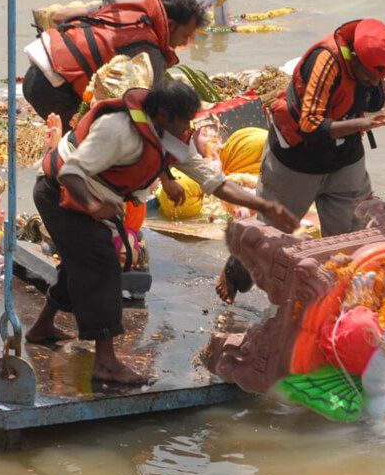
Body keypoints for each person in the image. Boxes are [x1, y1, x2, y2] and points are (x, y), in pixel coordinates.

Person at [26, 81, 297, 385]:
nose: (189, 126)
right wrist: (92, 206)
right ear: (164, 115)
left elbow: (215, 182)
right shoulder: (117, 130)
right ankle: (105, 362)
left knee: (82, 263)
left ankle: (42, 328)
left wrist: (263, 204)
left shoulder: (171, 135)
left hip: (92, 199)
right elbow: (70, 172)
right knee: (102, 266)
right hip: (58, 193)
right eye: (184, 119)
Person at [215, 18, 385, 303]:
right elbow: (310, 124)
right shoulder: (326, 62)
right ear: (353, 58)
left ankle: (337, 301)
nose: (373, 82)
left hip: (345, 160)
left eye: (377, 77)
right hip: (298, 162)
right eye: (369, 76)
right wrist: (360, 125)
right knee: (270, 235)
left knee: (351, 237)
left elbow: (374, 89)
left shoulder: (367, 69)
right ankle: (234, 275)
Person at [23, 0, 205, 130]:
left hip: (38, 68)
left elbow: (58, 17)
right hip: (51, 88)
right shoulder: (152, 53)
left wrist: (93, 10)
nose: (183, 43)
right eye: (184, 35)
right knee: (86, 143)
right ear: (171, 25)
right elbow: (147, 111)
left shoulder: (124, 12)